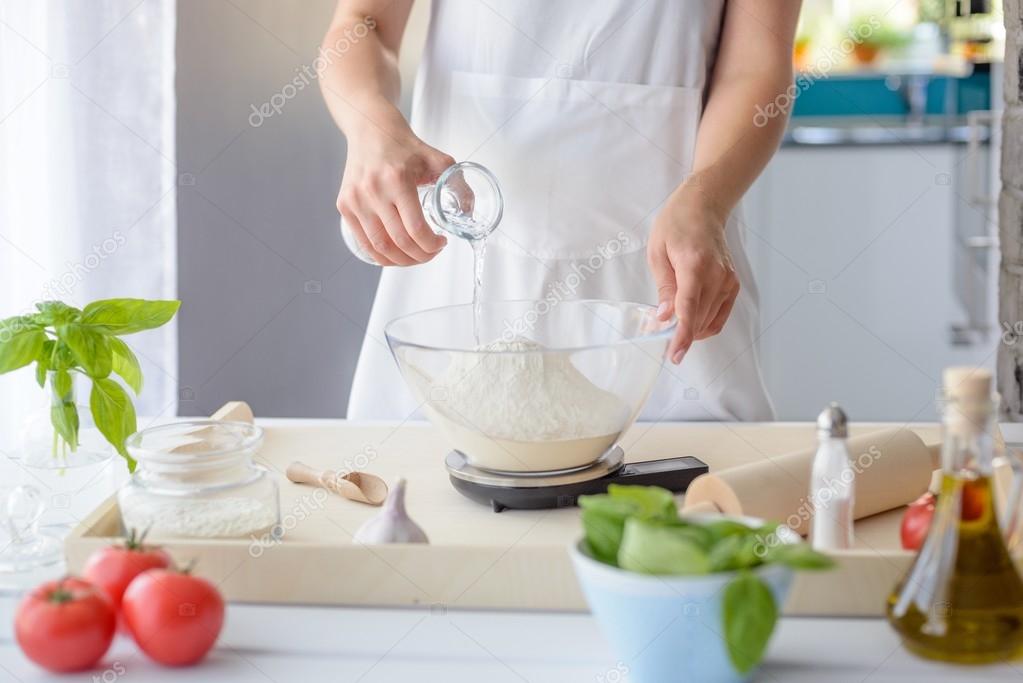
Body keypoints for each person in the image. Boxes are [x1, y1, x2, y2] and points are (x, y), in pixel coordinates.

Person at [321, 0, 801, 421]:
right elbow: (364, 21)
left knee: (685, 506)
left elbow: (755, 66)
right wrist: (370, 127)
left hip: (669, 292)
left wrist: (707, 197)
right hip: (455, 277)